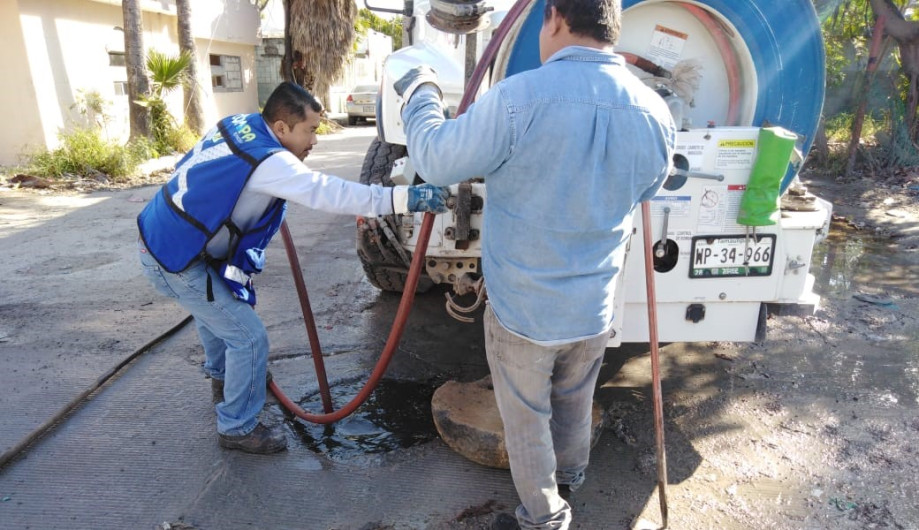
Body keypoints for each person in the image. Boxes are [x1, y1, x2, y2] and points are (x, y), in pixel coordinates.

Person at [394, 0, 676, 526]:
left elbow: (434, 159)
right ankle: (572, 477)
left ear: (553, 18)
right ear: (611, 28)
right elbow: (649, 188)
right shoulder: (654, 111)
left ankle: (545, 517)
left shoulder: (518, 99)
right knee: (573, 399)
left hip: (524, 309)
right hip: (594, 305)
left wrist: (418, 93)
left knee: (526, 419)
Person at [137, 82, 449, 455]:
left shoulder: (240, 124)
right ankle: (237, 426)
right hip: (174, 258)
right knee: (247, 337)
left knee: (215, 316)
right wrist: (404, 197)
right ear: (281, 128)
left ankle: (227, 381)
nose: (315, 140)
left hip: (168, 236)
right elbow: (327, 192)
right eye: (311, 130)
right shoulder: (271, 162)